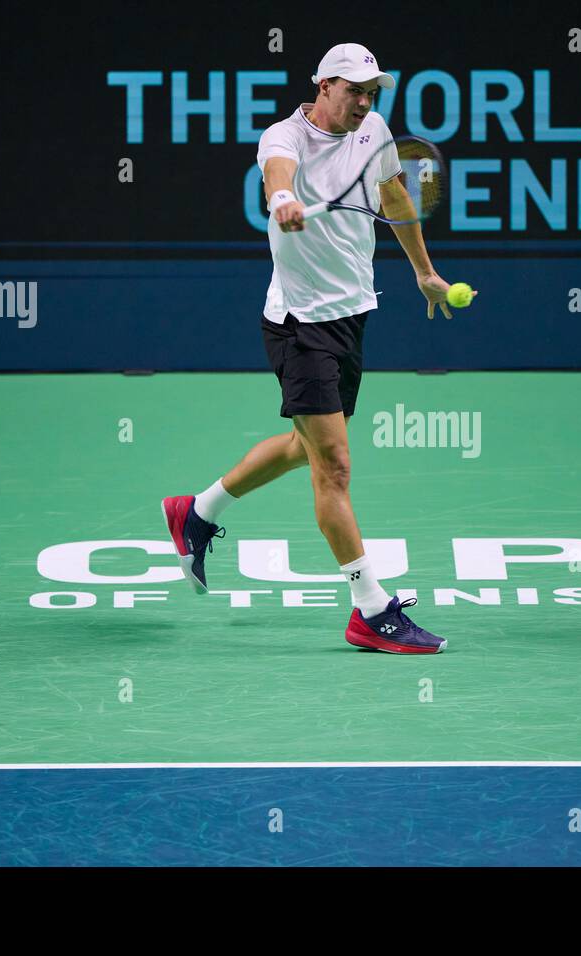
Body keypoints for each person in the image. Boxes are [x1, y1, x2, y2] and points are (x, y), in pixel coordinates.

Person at [162, 42, 475, 654]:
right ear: (325, 85)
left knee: (308, 447)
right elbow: (277, 173)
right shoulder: (284, 137)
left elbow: (394, 197)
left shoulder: (375, 131)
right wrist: (281, 200)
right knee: (333, 467)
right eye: (355, 90)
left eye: (372, 92)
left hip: (352, 314)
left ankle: (196, 512)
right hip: (300, 323)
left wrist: (423, 272)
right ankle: (370, 610)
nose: (365, 101)